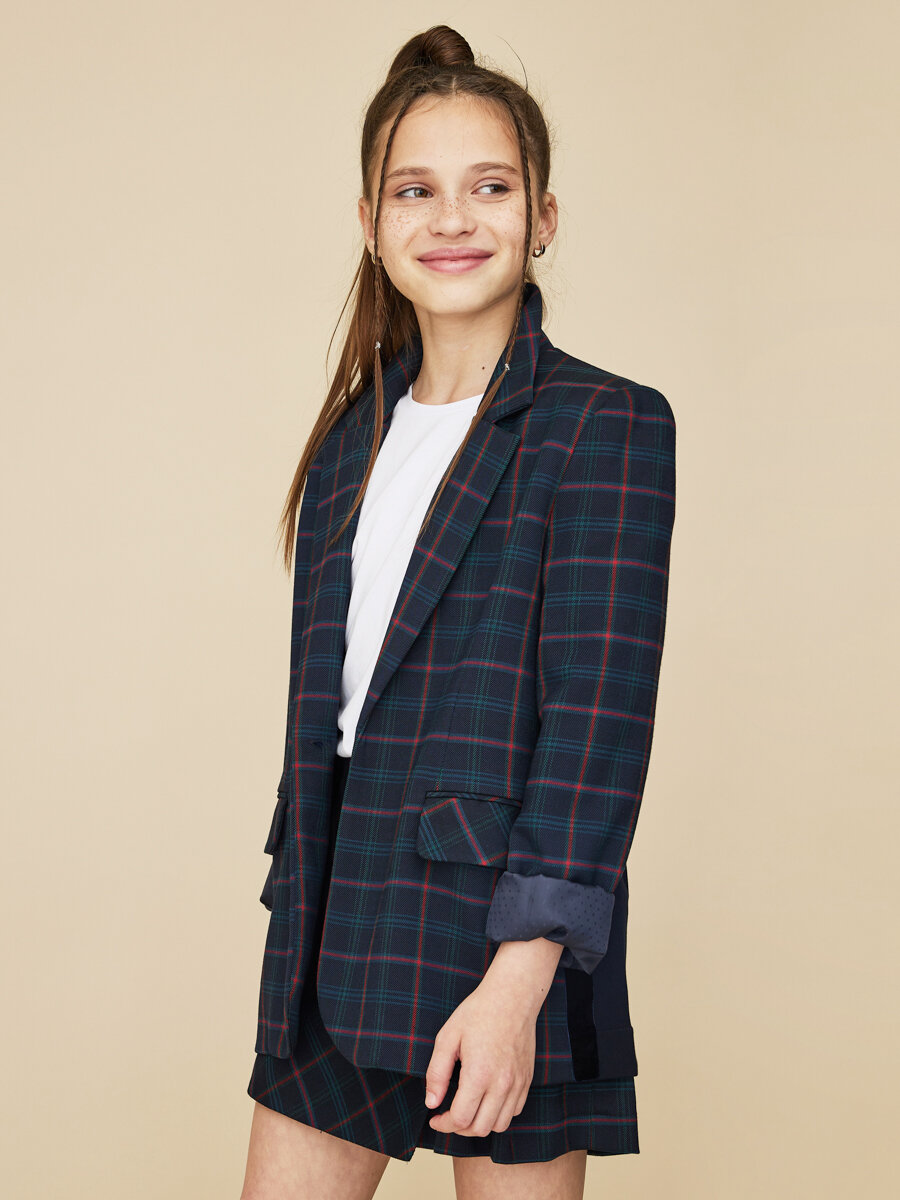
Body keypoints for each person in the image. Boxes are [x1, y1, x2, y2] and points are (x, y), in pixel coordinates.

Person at [241, 24, 676, 1200]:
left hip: (504, 930)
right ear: (371, 222)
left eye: (490, 187)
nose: (452, 219)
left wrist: (520, 980)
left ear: (543, 218)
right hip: (334, 922)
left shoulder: (607, 425)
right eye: (415, 190)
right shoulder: (347, 444)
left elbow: (596, 724)